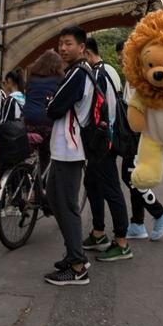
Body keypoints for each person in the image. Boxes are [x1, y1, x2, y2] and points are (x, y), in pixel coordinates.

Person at [42, 26, 96, 286]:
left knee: (66, 205)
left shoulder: (77, 73)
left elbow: (53, 108)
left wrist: (50, 102)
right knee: (54, 198)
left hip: (70, 150)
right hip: (63, 148)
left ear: (82, 47)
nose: (63, 48)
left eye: (68, 44)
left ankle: (77, 266)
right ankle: (73, 254)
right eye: (60, 44)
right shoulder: (76, 72)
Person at [115, 38, 163, 241]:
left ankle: (160, 213)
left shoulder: (141, 75)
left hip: (140, 133)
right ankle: (137, 224)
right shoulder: (133, 76)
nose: (119, 58)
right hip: (137, 131)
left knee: (130, 176)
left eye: (122, 53)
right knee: (134, 176)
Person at [81, 38, 133, 262]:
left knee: (111, 188)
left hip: (103, 141)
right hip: (107, 139)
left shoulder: (97, 75)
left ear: (87, 53)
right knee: (92, 183)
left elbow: (98, 110)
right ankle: (99, 232)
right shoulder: (110, 70)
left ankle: (121, 242)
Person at [23, 49, 64, 171]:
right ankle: (44, 184)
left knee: (31, 151)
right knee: (47, 154)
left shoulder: (31, 79)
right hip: (47, 122)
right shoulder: (59, 80)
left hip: (28, 120)